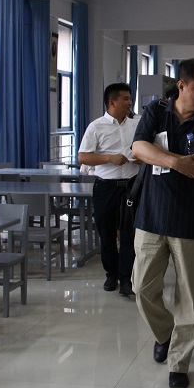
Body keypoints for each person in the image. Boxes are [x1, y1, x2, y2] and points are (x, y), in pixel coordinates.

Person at [131, 58, 194, 388]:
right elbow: (138, 148)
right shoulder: (156, 112)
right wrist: (176, 161)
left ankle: (180, 363)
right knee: (142, 288)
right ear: (182, 85)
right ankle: (164, 333)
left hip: (190, 219)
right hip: (151, 215)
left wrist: (159, 155)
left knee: (188, 296)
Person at [77, 82, 140, 296]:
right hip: (106, 187)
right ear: (112, 102)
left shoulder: (136, 124)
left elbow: (145, 147)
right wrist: (109, 158)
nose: (130, 102)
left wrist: (142, 158)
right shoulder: (96, 127)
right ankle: (111, 274)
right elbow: (83, 157)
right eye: (125, 99)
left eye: (130, 98)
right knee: (107, 233)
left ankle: (126, 278)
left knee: (129, 233)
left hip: (130, 186)